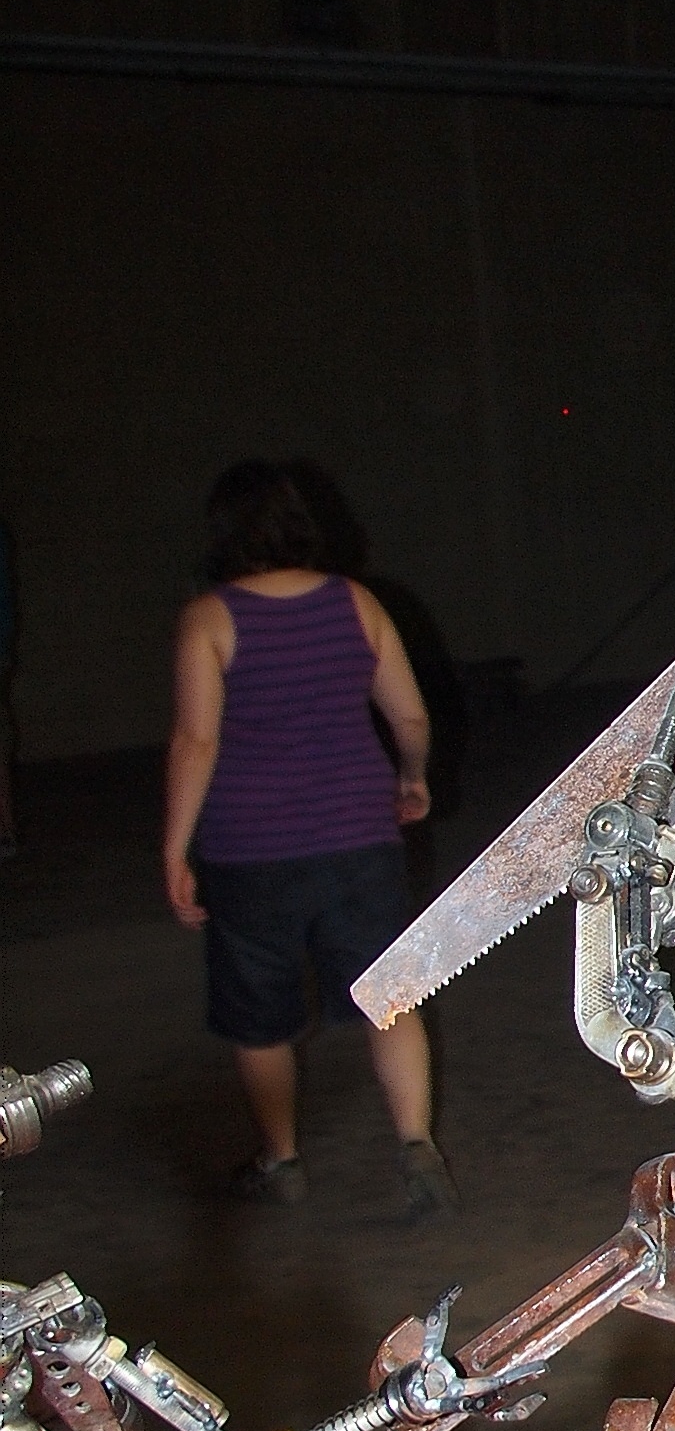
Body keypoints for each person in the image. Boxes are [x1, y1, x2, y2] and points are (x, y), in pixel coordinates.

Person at [163, 461, 456, 1211]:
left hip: (250, 849)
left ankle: (282, 1161)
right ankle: (416, 1145)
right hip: (359, 836)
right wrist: (413, 778)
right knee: (389, 996)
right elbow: (410, 715)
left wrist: (175, 847)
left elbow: (197, 741)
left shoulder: (209, 618)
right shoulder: (357, 603)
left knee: (259, 1018)